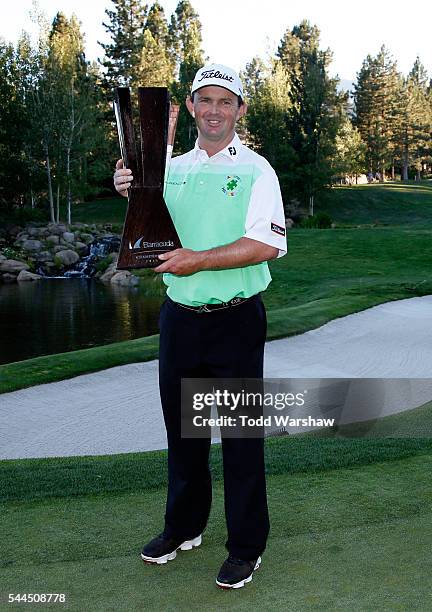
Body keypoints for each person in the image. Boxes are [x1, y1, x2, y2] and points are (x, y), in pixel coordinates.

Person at [113, 63, 287, 589]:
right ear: (190, 107)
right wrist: (130, 181)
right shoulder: (171, 167)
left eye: (225, 101)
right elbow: (147, 208)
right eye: (204, 99)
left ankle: (246, 546)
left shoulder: (259, 171)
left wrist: (198, 260)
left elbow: (266, 244)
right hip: (180, 319)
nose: (214, 110)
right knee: (184, 434)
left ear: (240, 110)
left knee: (239, 438)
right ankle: (184, 527)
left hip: (235, 319)